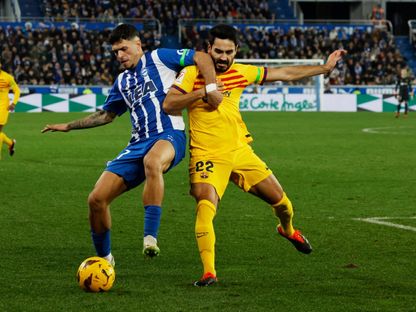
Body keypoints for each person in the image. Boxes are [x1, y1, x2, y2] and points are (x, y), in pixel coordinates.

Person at [163, 24, 346, 286]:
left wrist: (324, 69)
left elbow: (284, 72)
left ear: (236, 50)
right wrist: (205, 91)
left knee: (282, 203)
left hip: (240, 151)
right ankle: (209, 272)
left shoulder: (242, 72)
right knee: (205, 207)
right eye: (218, 51)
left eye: (228, 52)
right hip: (207, 155)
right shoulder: (192, 73)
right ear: (208, 50)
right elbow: (169, 104)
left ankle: (288, 230)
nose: (223, 57)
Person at [42, 24, 222, 265]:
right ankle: (104, 259)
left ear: (138, 45)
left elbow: (200, 56)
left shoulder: (159, 57)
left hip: (169, 134)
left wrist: (210, 88)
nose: (119, 56)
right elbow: (106, 115)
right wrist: (69, 125)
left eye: (123, 49)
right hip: (137, 143)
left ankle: (150, 237)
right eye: (115, 52)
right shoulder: (122, 81)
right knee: (96, 200)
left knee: (153, 161)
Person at [0, 60, 20, 159]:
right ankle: (11, 143)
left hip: (3, 107)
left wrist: (14, 103)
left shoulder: (8, 77)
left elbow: (17, 90)